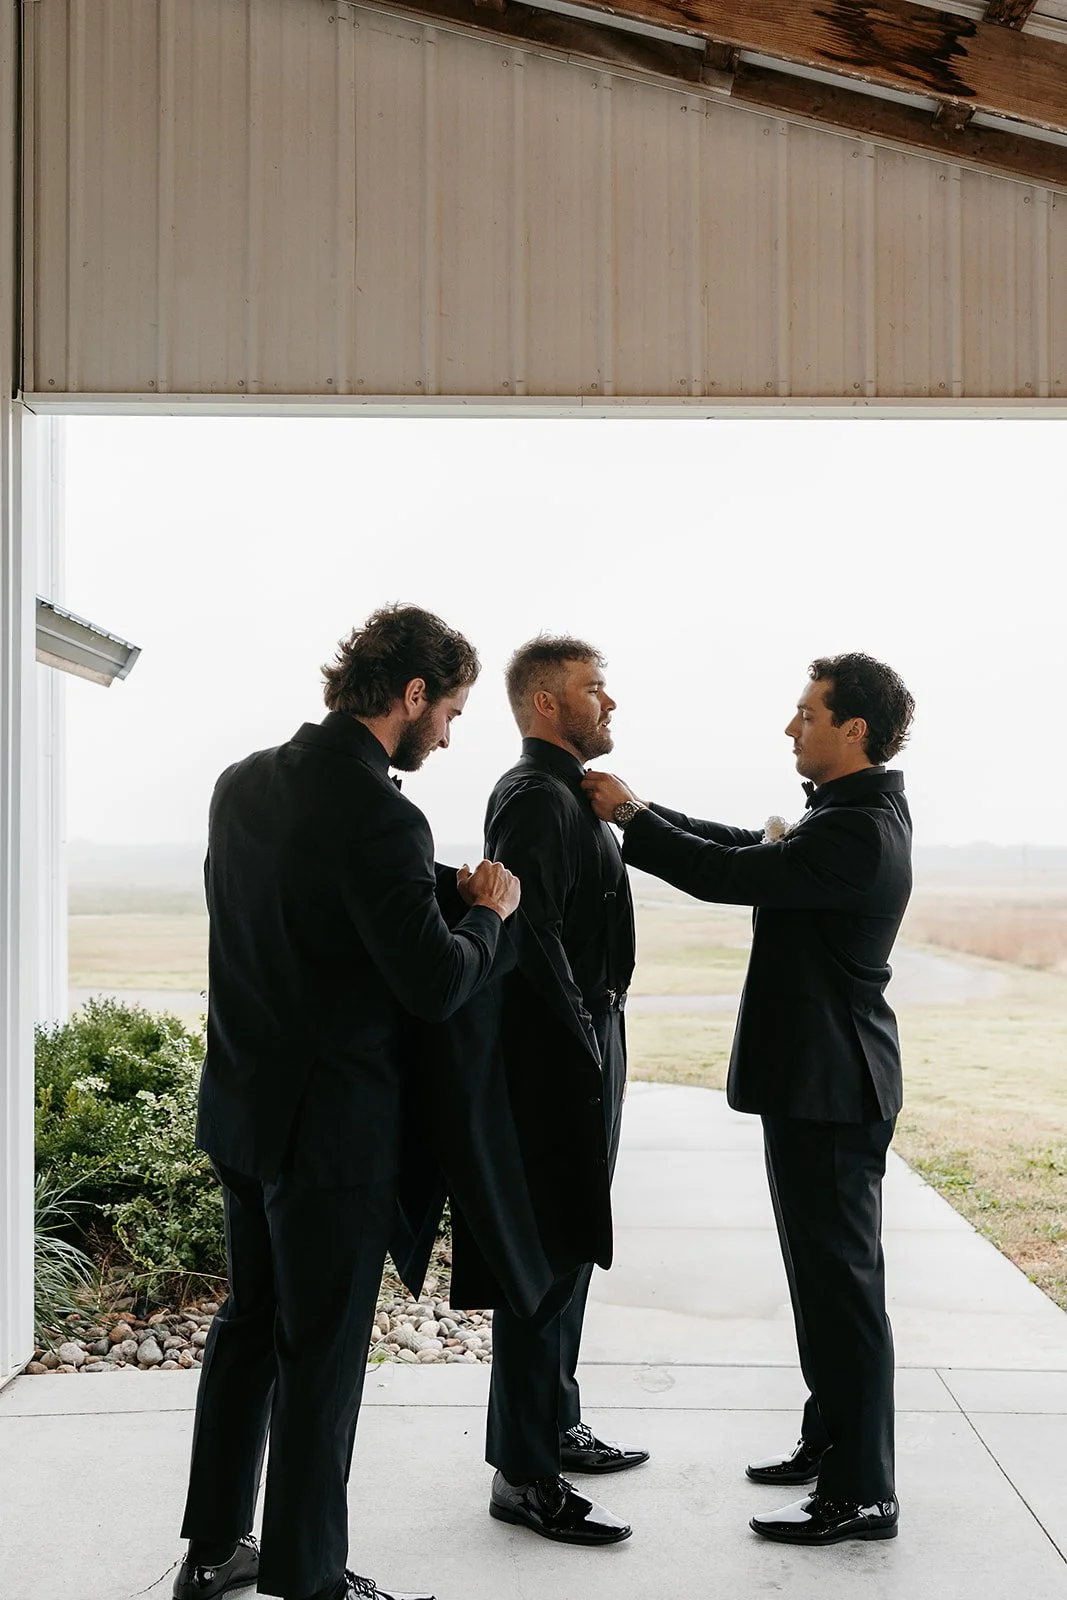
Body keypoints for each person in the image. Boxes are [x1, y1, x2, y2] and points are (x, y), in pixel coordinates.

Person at [173, 605, 520, 1600]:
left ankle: (210, 1555)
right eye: (449, 709)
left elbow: (289, 923)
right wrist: (487, 915)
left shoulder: (240, 784)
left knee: (249, 1329)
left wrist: (424, 886)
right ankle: (311, 1580)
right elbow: (433, 983)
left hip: (242, 1110)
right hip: (332, 1136)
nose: (450, 731)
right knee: (319, 1356)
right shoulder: (383, 815)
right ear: (410, 696)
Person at [583, 652, 915, 1548]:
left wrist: (630, 816)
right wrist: (641, 812)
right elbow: (739, 846)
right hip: (816, 1086)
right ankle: (829, 1441)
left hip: (833, 1089)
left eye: (805, 712)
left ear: (853, 728)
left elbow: (730, 877)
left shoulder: (856, 831)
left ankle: (864, 1493)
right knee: (821, 1282)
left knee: (843, 1292)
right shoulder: (846, 814)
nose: (789, 726)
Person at [480, 636, 648, 1549]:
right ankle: (522, 1474)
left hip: (592, 1040)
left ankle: (556, 1422)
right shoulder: (534, 801)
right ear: (546, 704)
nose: (609, 704)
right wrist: (582, 1043)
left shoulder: (571, 795)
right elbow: (524, 939)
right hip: (555, 1059)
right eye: (594, 690)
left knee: (574, 1242)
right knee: (541, 1260)